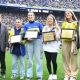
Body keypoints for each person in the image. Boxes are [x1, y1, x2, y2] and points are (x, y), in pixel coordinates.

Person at [24, 11, 43, 80]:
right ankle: (29, 75)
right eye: (29, 15)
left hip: (37, 41)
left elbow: (42, 32)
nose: (30, 16)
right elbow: (24, 35)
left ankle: (39, 75)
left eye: (31, 15)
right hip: (29, 42)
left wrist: (38, 32)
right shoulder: (26, 25)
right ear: (27, 17)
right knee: (29, 59)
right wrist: (27, 38)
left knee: (38, 59)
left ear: (34, 16)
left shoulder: (38, 23)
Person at [61, 9, 79, 80]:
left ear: (72, 14)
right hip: (65, 42)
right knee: (65, 59)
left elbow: (78, 33)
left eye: (69, 13)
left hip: (73, 42)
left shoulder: (76, 23)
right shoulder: (64, 23)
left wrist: (75, 37)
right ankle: (67, 74)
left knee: (73, 59)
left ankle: (73, 75)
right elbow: (62, 33)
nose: (67, 14)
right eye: (66, 13)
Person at [42, 14, 60, 80]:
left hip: (54, 47)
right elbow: (43, 38)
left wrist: (55, 36)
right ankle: (50, 74)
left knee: (54, 61)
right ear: (47, 20)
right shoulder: (44, 28)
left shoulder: (57, 28)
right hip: (46, 47)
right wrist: (44, 40)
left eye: (51, 19)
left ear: (53, 20)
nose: (49, 20)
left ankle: (54, 74)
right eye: (48, 19)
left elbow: (59, 38)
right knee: (48, 61)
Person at [0, 14, 9, 79]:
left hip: (1, 47)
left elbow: (7, 37)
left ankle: (3, 73)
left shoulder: (4, 26)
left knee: (2, 61)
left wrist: (7, 46)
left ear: (1, 18)